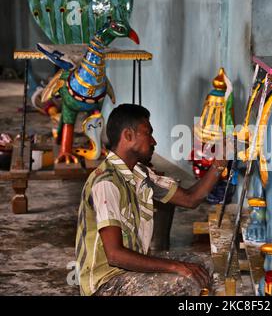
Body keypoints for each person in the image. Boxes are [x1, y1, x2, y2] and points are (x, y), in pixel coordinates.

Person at [75, 104, 229, 296]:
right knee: (183, 281)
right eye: (147, 133)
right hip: (105, 283)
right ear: (128, 135)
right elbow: (115, 255)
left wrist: (219, 163)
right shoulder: (106, 182)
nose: (153, 141)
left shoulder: (140, 173)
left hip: (128, 272)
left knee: (204, 265)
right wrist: (176, 267)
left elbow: (191, 199)